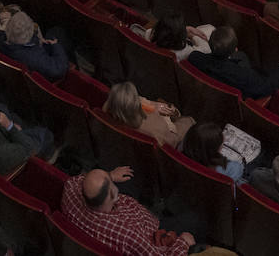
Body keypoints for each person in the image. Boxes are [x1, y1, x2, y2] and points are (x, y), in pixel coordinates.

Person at [60, 167, 197, 256]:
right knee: (195, 219)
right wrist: (183, 243)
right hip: (154, 234)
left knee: (131, 175)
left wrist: (111, 175)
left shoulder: (70, 190)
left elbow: (80, 180)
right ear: (113, 195)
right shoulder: (129, 236)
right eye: (112, 183)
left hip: (126, 218)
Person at [102, 81, 194, 149]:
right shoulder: (155, 129)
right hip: (168, 138)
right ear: (135, 102)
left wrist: (153, 105)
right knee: (189, 121)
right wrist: (170, 115)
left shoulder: (109, 109)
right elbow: (172, 141)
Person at [0, 11, 69, 82]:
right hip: (40, 71)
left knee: (55, 32)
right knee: (58, 32)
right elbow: (58, 70)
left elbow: (5, 35)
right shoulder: (35, 57)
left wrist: (38, 40)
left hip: (10, 72)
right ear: (30, 33)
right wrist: (56, 46)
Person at [181, 121, 246, 185]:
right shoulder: (233, 168)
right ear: (212, 150)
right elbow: (238, 169)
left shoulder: (181, 151)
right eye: (221, 145)